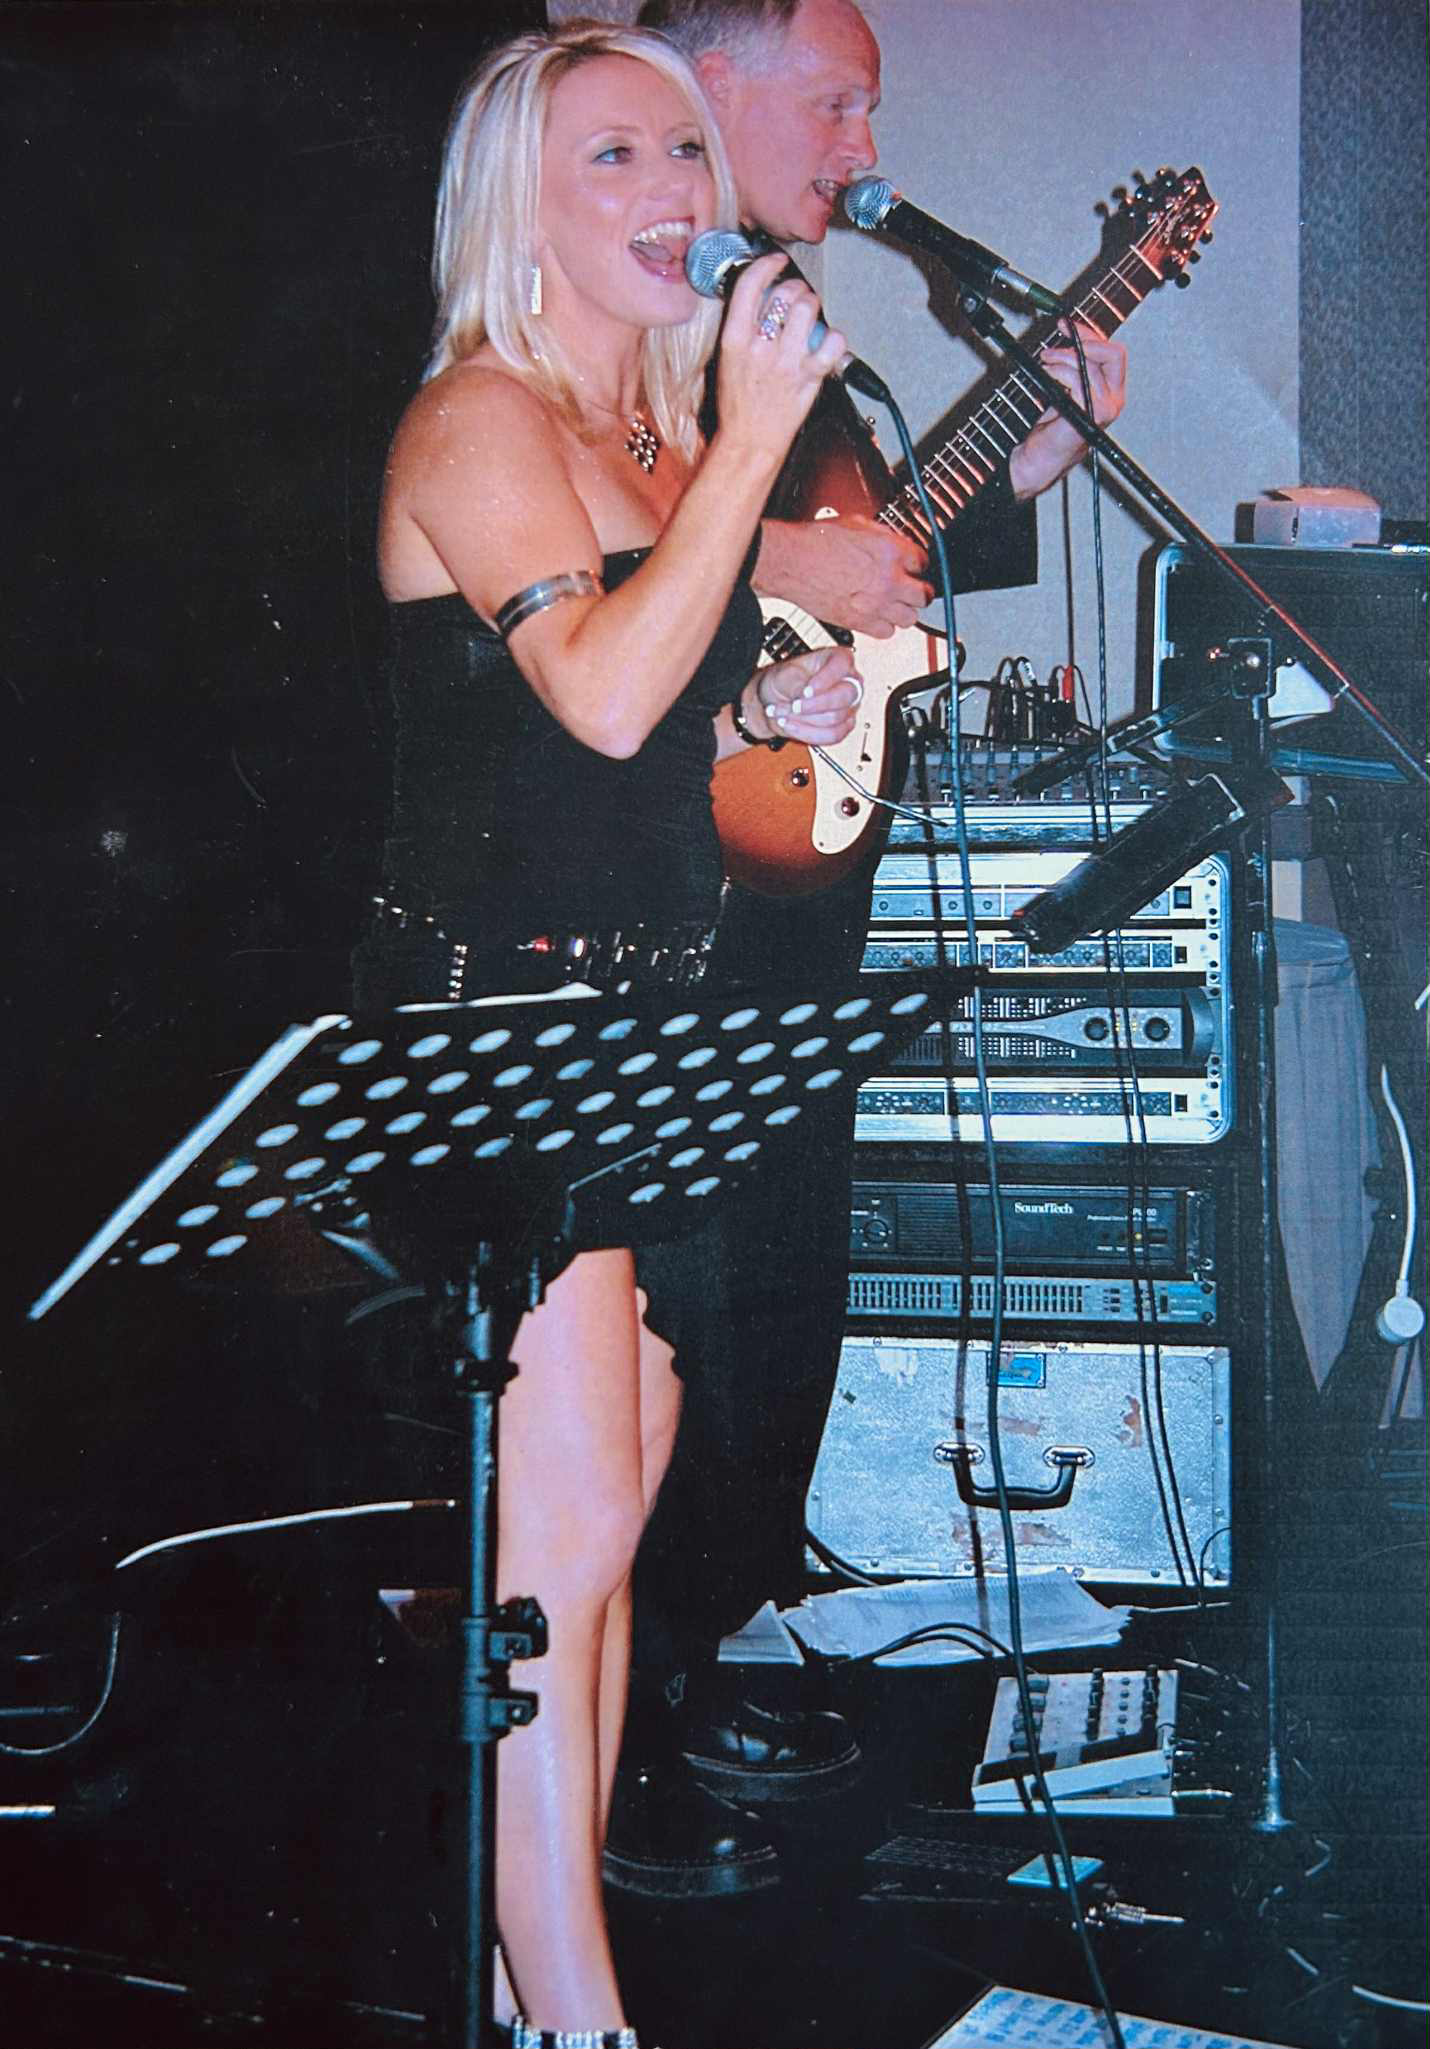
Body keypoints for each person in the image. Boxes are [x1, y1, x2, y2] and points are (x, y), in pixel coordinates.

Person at [360, 21, 865, 2042]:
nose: (675, 190)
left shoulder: (645, 433)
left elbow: (641, 731)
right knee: (561, 1526)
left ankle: (528, 1975)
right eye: (615, 158)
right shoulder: (476, 417)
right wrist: (752, 443)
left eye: (682, 151)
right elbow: (590, 695)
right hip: (494, 1027)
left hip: (622, 1017)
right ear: (520, 207)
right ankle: (579, 2017)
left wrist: (759, 709)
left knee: (609, 1486)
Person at [606, 0, 1129, 1897]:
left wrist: (1030, 465)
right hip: (653, 898)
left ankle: (696, 1671)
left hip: (795, 895)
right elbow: (544, 550)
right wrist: (769, 565)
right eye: (834, 101)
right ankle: (621, 1738)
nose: (861, 143)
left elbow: (872, 567)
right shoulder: (620, 289)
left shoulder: (783, 318)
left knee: (780, 1295)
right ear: (706, 79)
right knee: (677, 1308)